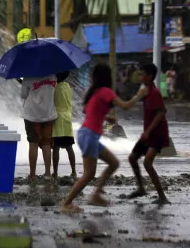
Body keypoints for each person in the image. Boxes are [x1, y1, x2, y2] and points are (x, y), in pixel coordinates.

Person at [60, 64, 146, 214]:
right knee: (89, 174)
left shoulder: (94, 92)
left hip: (86, 134)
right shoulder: (106, 91)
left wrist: (106, 117)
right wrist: (139, 95)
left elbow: (86, 110)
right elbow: (125, 106)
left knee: (114, 163)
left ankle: (96, 194)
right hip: (90, 136)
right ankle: (66, 203)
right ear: (107, 77)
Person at [123, 63, 170, 204]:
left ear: (149, 76)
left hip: (157, 134)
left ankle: (162, 196)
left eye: (142, 74)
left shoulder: (154, 93)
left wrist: (148, 131)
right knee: (132, 158)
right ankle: (141, 188)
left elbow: (161, 112)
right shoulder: (145, 91)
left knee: (147, 163)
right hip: (148, 133)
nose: (140, 77)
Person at [21, 73, 59, 181]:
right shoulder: (53, 76)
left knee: (33, 144)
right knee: (47, 144)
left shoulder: (28, 76)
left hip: (32, 115)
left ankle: (32, 175)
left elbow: (23, 95)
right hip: (48, 114)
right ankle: (48, 174)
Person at [52, 71, 77, 178]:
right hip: (67, 118)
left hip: (57, 119)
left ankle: (56, 172)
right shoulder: (67, 86)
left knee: (56, 147)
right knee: (69, 147)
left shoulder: (54, 87)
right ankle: (74, 171)